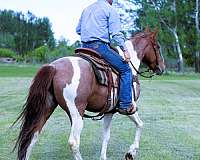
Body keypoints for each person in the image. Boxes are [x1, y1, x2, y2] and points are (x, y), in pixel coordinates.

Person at [76, 0, 136, 115]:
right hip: (99, 47)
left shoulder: (86, 9)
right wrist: (125, 50)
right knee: (126, 70)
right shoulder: (110, 10)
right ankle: (125, 105)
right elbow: (116, 34)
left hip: (83, 48)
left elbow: (78, 30)